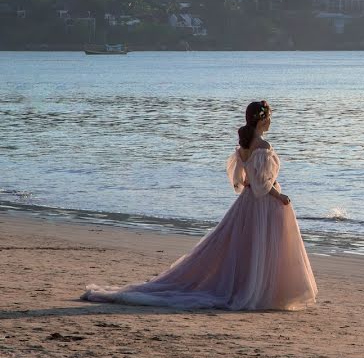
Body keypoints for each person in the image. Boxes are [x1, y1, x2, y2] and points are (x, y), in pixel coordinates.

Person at [81, 100, 317, 310]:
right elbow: (262, 185)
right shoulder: (263, 148)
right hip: (261, 205)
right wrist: (281, 196)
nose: (271, 121)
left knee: (243, 248)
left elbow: (243, 182)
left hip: (245, 204)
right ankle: (262, 290)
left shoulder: (243, 147)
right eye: (269, 117)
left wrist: (266, 189)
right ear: (262, 119)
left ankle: (253, 286)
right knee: (258, 247)